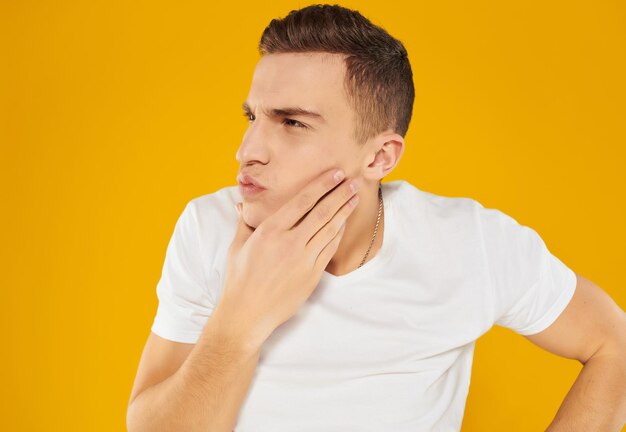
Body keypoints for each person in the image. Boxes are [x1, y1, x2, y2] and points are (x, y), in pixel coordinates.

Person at [127, 4, 626, 432]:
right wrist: (238, 323)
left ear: (380, 157)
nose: (246, 152)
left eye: (293, 122)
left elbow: (614, 344)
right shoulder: (208, 228)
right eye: (252, 117)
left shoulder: (468, 243)